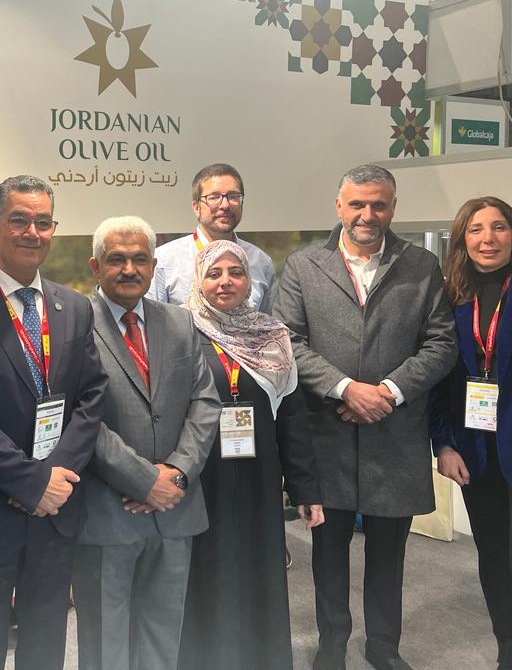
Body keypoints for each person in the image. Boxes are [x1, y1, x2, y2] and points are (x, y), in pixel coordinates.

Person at [274, 164, 458, 670]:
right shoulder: (303, 265)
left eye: (379, 204)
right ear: (339, 206)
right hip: (327, 433)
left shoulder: (421, 265)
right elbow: (287, 341)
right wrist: (346, 388)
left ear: (393, 207)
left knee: (388, 555)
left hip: (395, 433)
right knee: (328, 552)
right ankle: (332, 645)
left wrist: (389, 392)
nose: (367, 214)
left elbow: (442, 343)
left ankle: (383, 646)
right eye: (357, 204)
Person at [0, 175, 108, 670]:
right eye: (19, 220)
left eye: (43, 222)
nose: (32, 232)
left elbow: (92, 395)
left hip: (56, 507)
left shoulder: (74, 307)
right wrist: (29, 481)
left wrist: (54, 477)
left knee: (47, 640)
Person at [73, 215, 221, 670]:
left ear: (154, 266)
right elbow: (80, 416)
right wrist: (142, 480)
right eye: (116, 259)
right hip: (107, 512)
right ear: (95, 266)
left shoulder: (179, 322)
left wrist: (176, 473)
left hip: (175, 506)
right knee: (106, 642)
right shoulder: (74, 324)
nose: (129, 269)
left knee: (163, 634)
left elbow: (205, 401)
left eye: (140, 259)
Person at [176, 239, 324, 670]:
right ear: (199, 280)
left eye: (235, 272)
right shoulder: (180, 331)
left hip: (259, 477)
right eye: (214, 273)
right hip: (201, 477)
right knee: (204, 572)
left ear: (250, 280)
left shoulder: (273, 337)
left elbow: (292, 418)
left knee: (258, 569)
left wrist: (305, 489)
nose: (225, 281)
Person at [429, 196, 512, 670]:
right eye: (476, 229)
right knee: (495, 556)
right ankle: (507, 649)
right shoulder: (450, 300)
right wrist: (443, 443)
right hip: (477, 453)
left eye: (499, 227)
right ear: (462, 240)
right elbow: (440, 383)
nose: (488, 238)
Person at [148, 163, 275, 311]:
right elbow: (153, 321)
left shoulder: (260, 262)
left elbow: (267, 321)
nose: (225, 205)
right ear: (196, 207)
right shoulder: (165, 260)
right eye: (214, 197)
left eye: (233, 197)